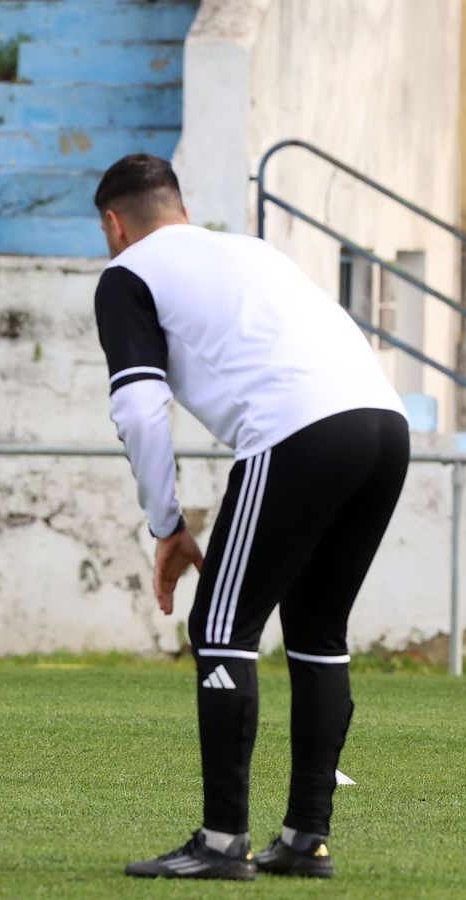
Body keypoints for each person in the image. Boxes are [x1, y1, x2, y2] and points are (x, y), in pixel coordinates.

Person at [92, 155, 409, 879]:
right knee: (319, 633)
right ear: (180, 204)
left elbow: (140, 407)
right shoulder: (252, 251)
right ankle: (304, 840)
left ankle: (222, 842)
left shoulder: (128, 272)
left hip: (298, 429)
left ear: (114, 224)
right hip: (385, 425)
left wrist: (167, 523)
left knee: (221, 628)